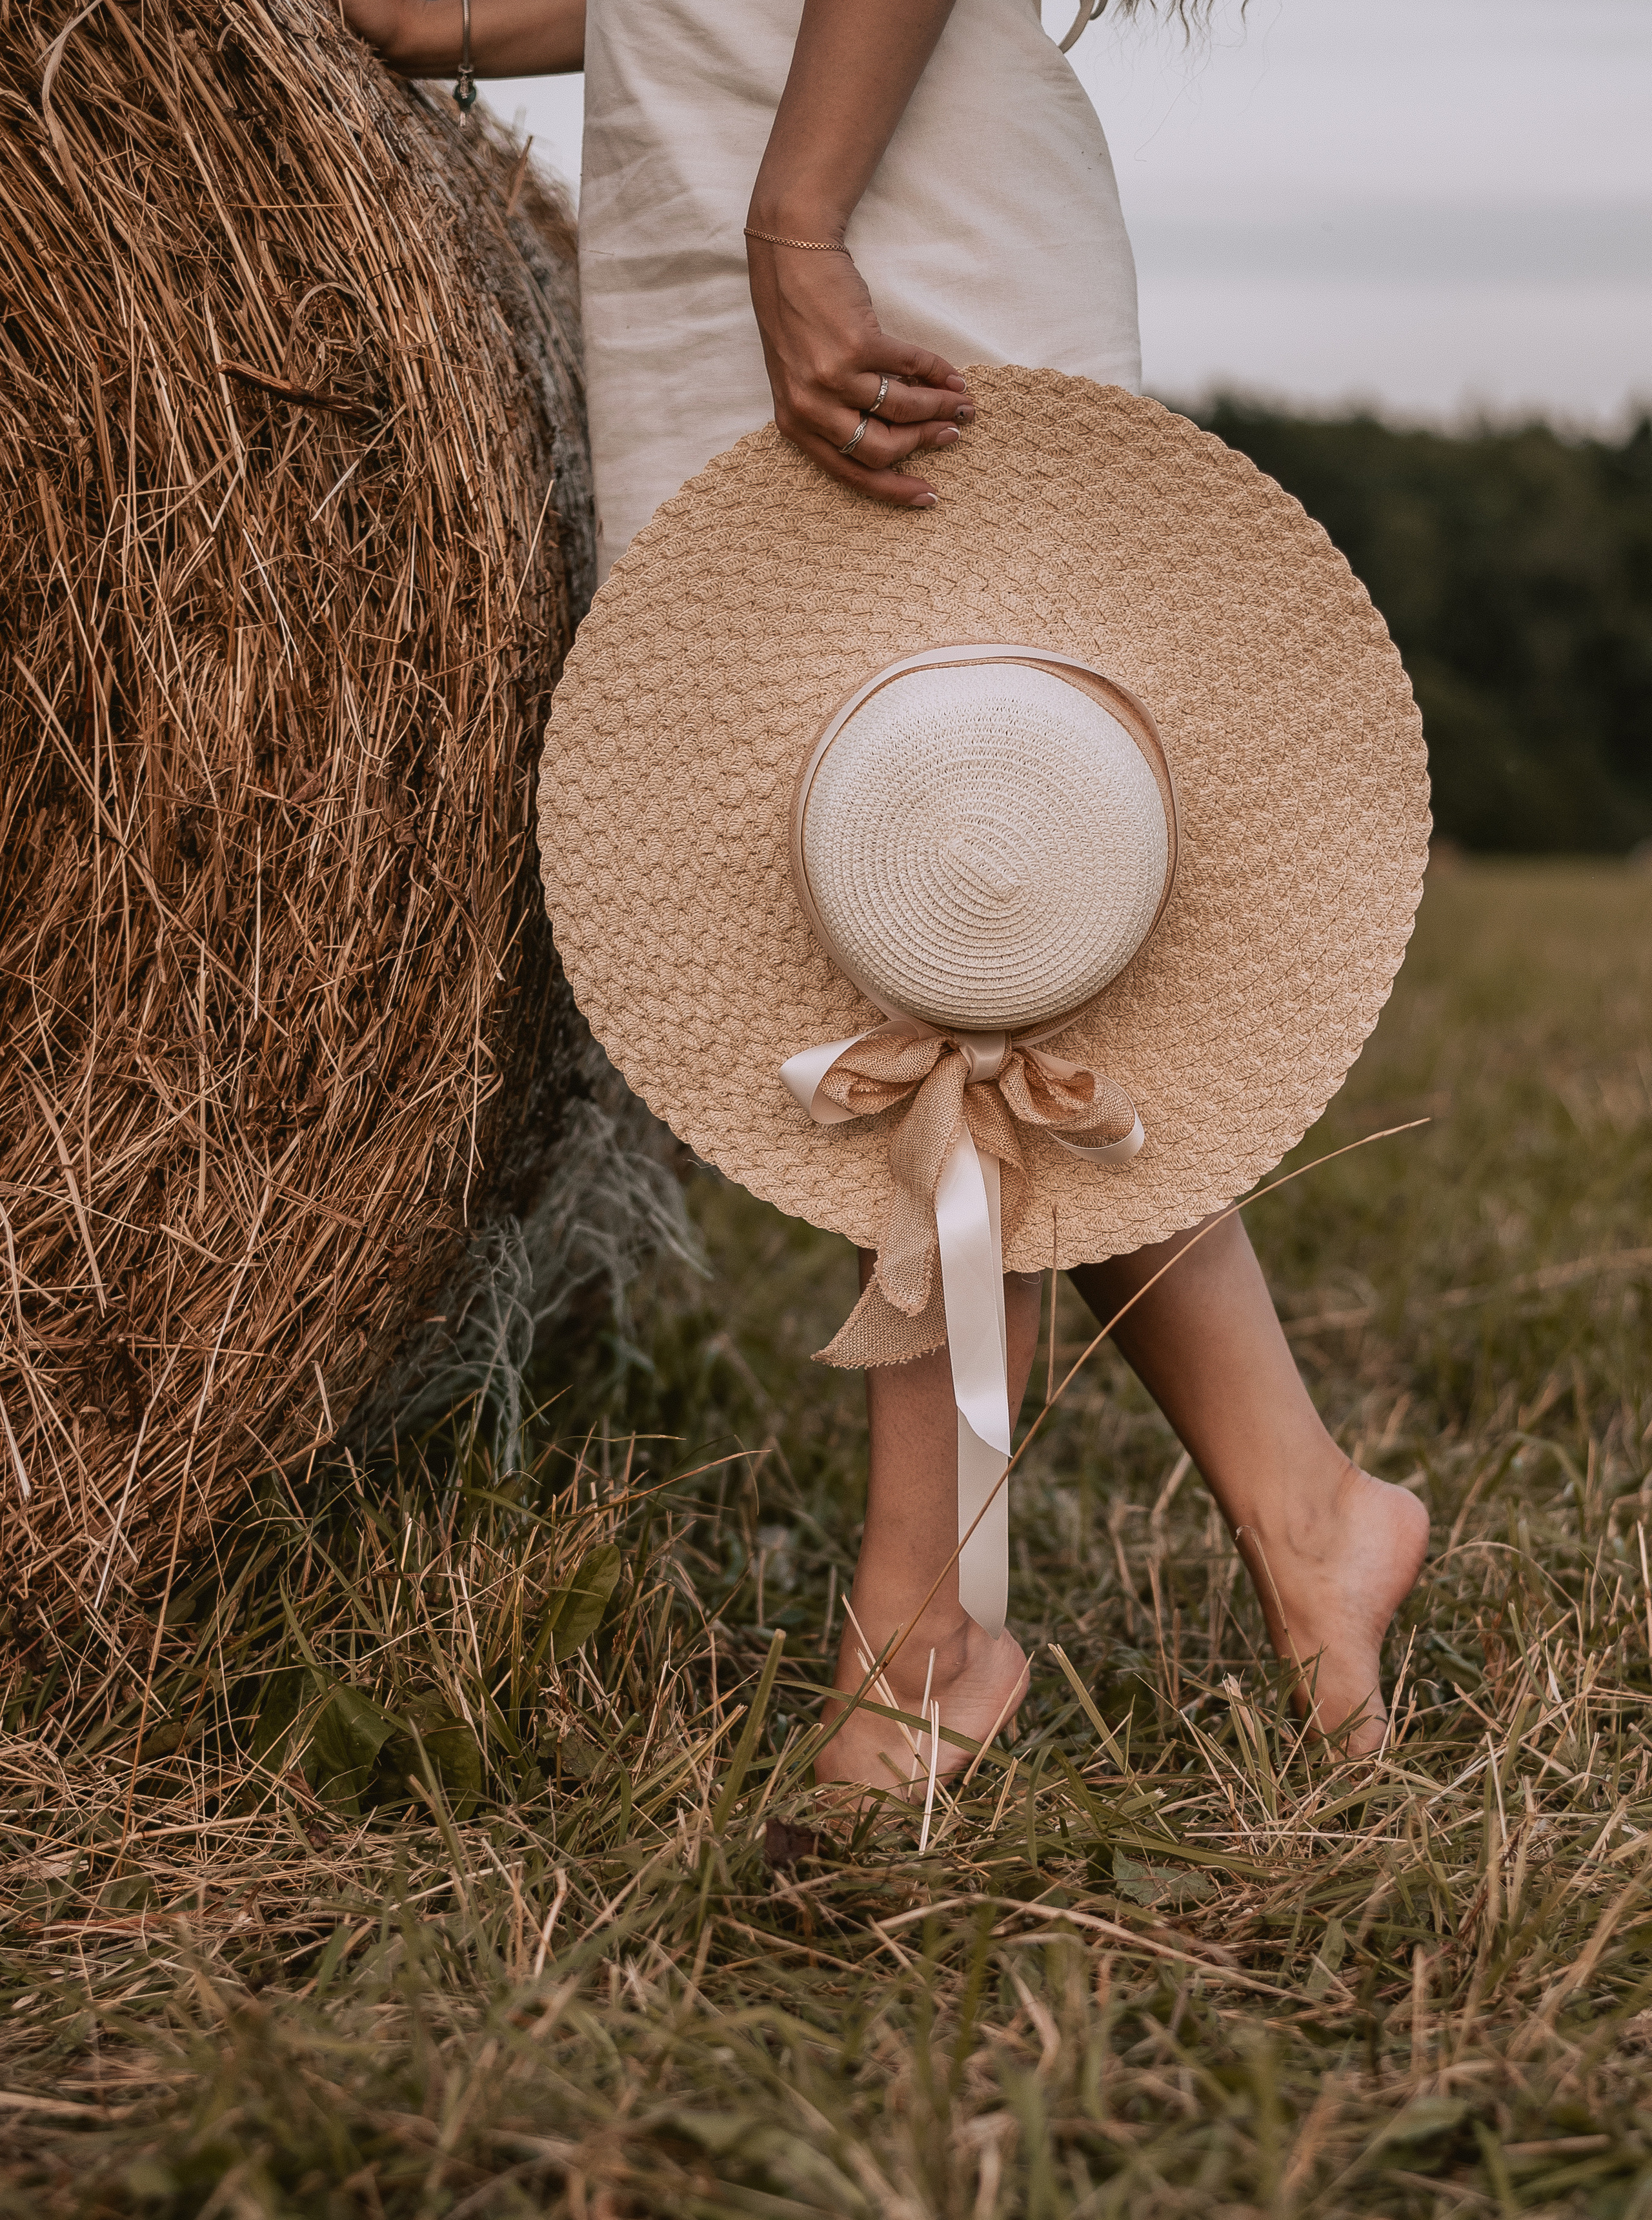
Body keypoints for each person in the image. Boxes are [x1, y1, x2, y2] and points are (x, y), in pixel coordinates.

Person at [339, 0, 1430, 1782]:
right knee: (944, 907)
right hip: (722, 212)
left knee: (960, 896)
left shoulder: (813, 227)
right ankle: (1311, 1517)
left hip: (867, 207)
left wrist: (797, 227)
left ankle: (922, 1627)